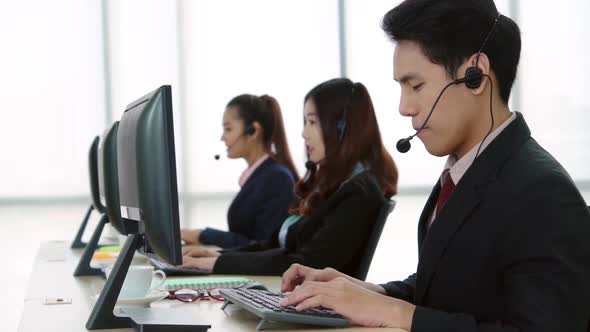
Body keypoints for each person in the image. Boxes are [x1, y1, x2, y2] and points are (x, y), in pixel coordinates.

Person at [279, 1, 590, 331]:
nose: (404, 107)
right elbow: (446, 289)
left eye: (416, 85)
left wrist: (400, 315)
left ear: (476, 75)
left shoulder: (542, 192)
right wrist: (365, 292)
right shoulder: (465, 171)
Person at [180, 78, 398, 276]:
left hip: (315, 308)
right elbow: (272, 245)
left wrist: (219, 264)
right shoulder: (332, 186)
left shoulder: (358, 192)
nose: (304, 133)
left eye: (312, 122)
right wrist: (219, 257)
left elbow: (308, 263)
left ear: (342, 129)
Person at [181, 94, 299, 249]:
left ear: (253, 131)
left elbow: (264, 246)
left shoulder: (277, 178)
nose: (223, 137)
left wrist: (202, 235)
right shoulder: (259, 176)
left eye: (228, 129)